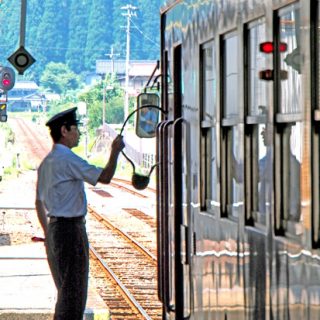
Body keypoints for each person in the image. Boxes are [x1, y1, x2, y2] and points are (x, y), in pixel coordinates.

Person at [35, 107, 125, 320]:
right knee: (74, 297)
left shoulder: (46, 163)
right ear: (65, 130)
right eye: (75, 128)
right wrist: (115, 151)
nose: (79, 133)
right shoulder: (67, 159)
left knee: (65, 293)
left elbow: (39, 202)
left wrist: (48, 234)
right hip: (71, 231)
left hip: (56, 230)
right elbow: (104, 177)